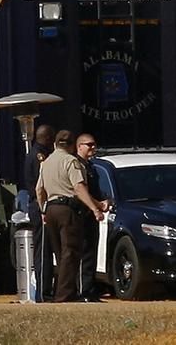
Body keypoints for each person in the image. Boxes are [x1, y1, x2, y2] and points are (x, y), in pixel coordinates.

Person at [35, 130, 105, 303]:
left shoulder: (47, 162)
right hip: (67, 209)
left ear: (55, 144)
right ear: (73, 145)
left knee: (60, 254)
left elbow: (39, 190)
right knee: (70, 253)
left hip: (50, 209)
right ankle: (64, 296)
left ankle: (63, 291)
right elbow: (79, 188)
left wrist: (43, 209)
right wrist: (94, 209)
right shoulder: (71, 161)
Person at [74, 133, 109, 302]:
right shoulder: (77, 165)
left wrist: (104, 202)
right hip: (82, 213)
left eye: (94, 144)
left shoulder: (91, 166)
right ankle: (83, 291)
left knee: (92, 251)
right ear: (79, 146)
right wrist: (97, 205)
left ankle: (90, 288)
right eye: (89, 145)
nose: (93, 148)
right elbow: (81, 191)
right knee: (84, 252)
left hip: (92, 214)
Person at [23, 125, 56, 301]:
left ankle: (48, 289)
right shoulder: (39, 156)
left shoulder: (38, 153)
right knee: (43, 250)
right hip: (40, 205)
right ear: (49, 138)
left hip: (41, 205)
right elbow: (39, 186)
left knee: (48, 249)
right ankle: (43, 292)